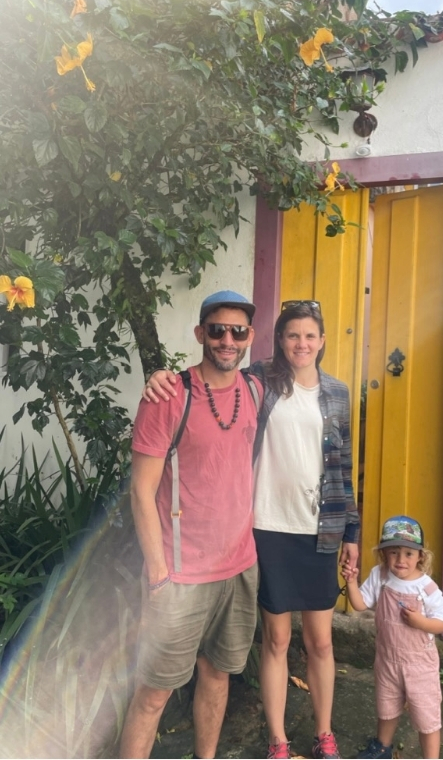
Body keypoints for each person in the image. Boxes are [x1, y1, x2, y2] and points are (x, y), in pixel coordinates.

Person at [144, 300, 360, 759]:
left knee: (320, 640)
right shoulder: (260, 381)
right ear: (278, 341)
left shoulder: (337, 393)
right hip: (267, 527)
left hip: (320, 530)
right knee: (277, 639)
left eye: (310, 336)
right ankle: (278, 739)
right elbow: (212, 377)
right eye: (292, 335)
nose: (301, 343)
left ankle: (324, 734)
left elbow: (345, 468)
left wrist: (352, 533)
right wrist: (161, 376)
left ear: (322, 341)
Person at [119, 291, 262, 759]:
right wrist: (158, 571)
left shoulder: (256, 390)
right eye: (217, 329)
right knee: (154, 692)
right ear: (200, 334)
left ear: (249, 338)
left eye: (237, 331)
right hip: (178, 575)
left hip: (238, 566)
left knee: (218, 677)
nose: (227, 339)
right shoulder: (168, 397)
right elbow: (141, 490)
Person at [342, 516, 443, 759]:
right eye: (394, 552)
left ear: (420, 556)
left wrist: (421, 622)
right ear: (384, 554)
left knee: (426, 713)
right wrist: (350, 581)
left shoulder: (426, 587)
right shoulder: (380, 576)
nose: (401, 560)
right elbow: (360, 604)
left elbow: (442, 622)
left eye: (408, 554)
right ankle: (382, 747)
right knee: (386, 706)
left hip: (419, 665)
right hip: (388, 659)